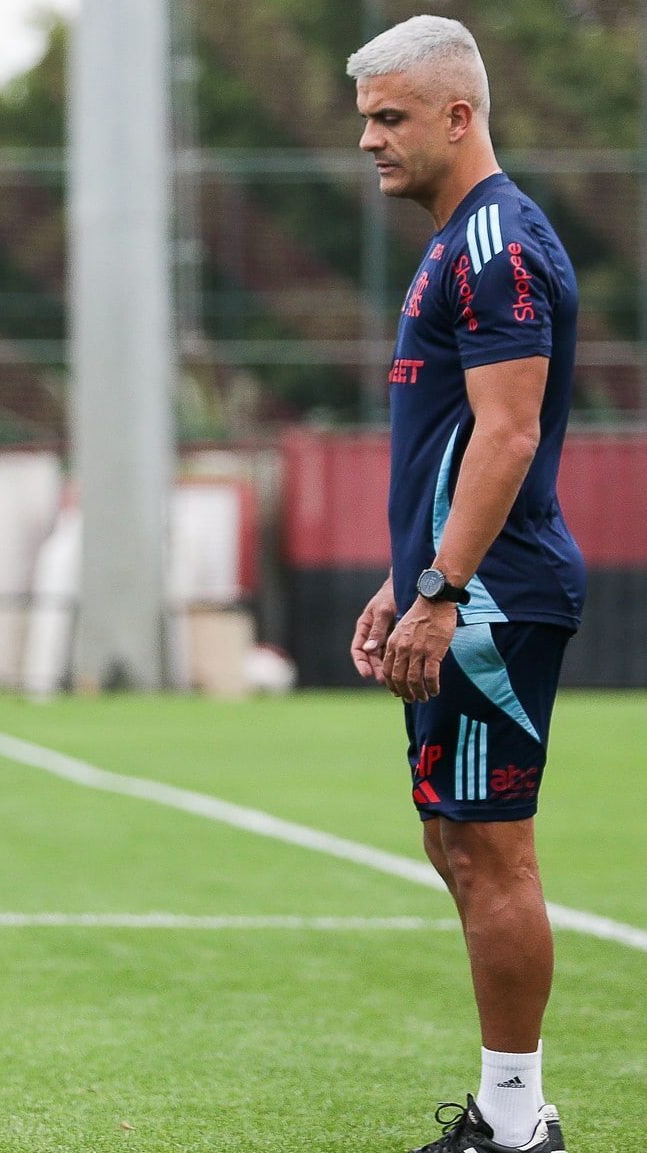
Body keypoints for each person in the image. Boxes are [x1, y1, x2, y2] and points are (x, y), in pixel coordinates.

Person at [347, 17, 580, 1153]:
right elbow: (453, 438)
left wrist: (441, 587)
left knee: (492, 846)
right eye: (364, 118)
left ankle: (514, 1121)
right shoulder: (454, 243)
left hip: (492, 602)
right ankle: (510, 1106)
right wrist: (405, 585)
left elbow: (508, 432)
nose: (367, 141)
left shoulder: (496, 245)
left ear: (457, 115)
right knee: (453, 838)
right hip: (456, 592)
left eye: (388, 118)